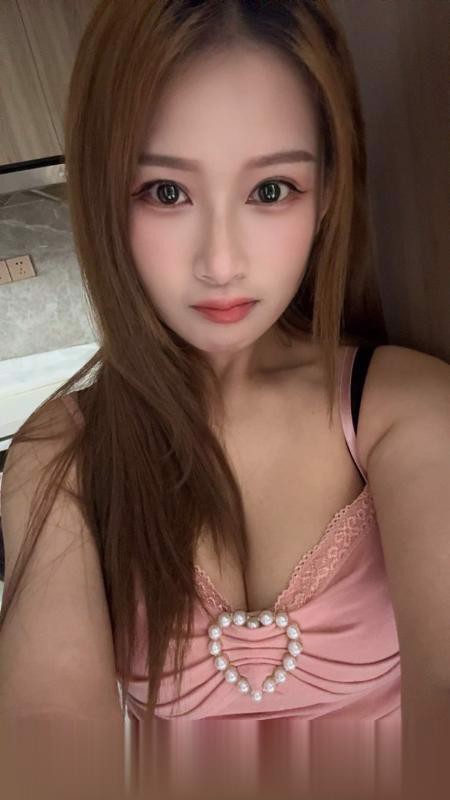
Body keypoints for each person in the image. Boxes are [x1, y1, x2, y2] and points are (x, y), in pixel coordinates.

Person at [1, 3, 449, 799]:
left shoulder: (401, 409)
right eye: (165, 191)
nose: (220, 260)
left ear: (326, 194)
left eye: (271, 189)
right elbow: (47, 720)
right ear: (103, 197)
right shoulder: (62, 454)